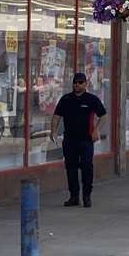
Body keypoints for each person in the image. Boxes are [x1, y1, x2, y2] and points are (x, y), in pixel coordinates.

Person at [50, 73, 107, 208]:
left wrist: (96, 130)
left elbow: (103, 116)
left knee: (87, 166)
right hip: (69, 139)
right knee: (71, 167)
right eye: (75, 82)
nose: (77, 84)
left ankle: (87, 195)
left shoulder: (91, 99)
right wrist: (53, 131)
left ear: (85, 84)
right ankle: (74, 196)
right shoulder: (66, 99)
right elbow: (57, 116)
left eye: (80, 82)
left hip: (86, 140)